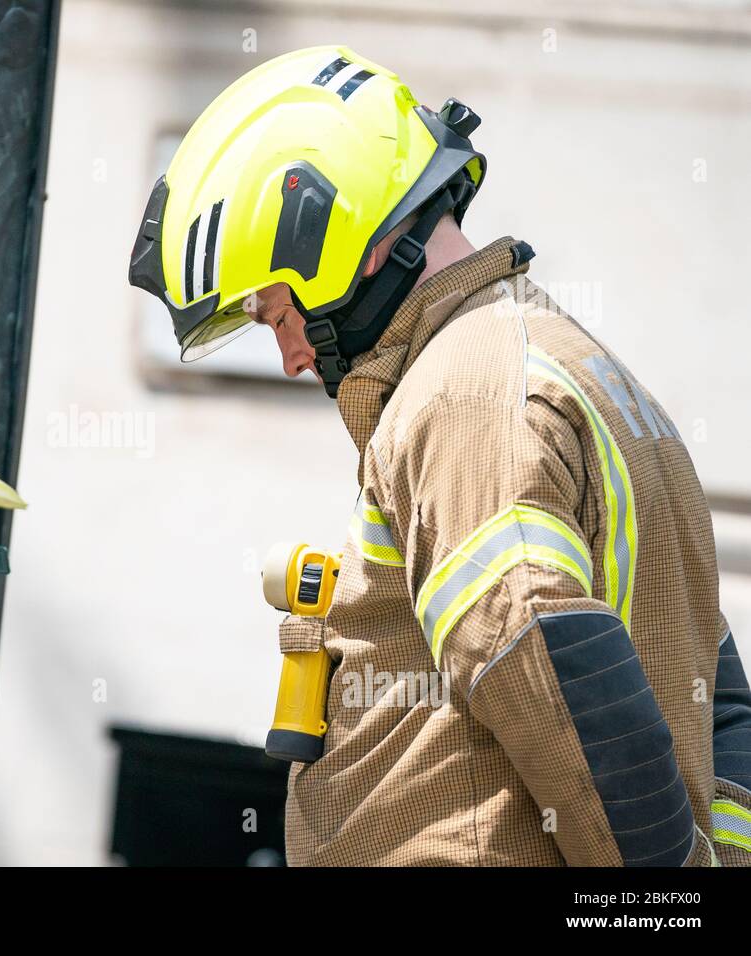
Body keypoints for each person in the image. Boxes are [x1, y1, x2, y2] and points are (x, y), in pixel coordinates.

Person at [129, 46, 751, 866]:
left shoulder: (464, 391)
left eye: (274, 314)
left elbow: (539, 648)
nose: (289, 356)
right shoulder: (582, 369)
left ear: (338, 235)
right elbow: (723, 699)